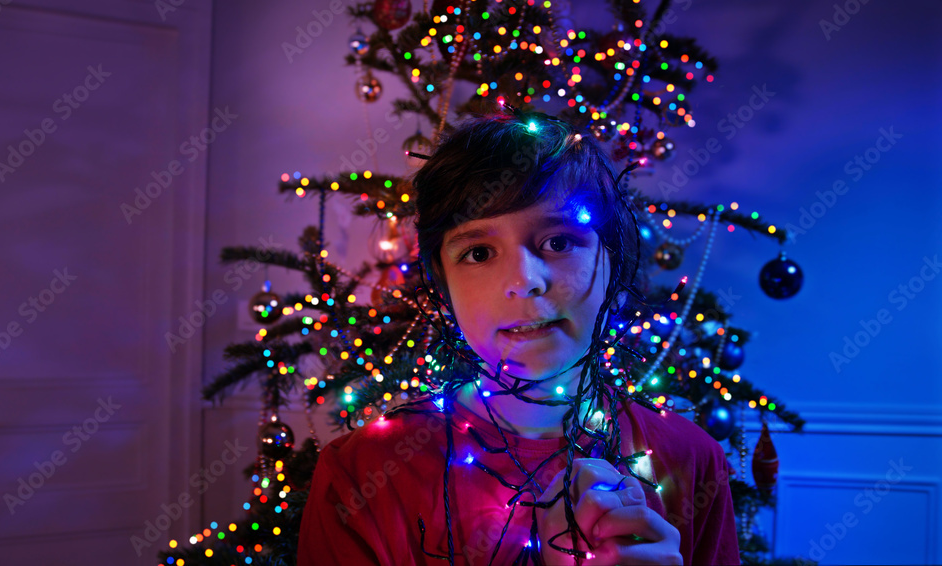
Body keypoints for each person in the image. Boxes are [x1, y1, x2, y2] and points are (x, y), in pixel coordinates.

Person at [298, 109, 740, 565]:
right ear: (443, 284)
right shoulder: (359, 477)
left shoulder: (690, 459)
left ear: (612, 257)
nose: (525, 280)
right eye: (479, 252)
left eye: (559, 242)